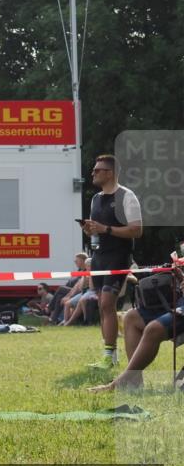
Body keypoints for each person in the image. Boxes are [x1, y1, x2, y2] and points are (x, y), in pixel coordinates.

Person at [80, 154, 143, 370]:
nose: (93, 173)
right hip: (99, 257)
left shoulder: (127, 196)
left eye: (97, 170)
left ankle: (108, 356)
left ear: (110, 173)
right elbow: (96, 230)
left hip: (118, 256)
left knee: (108, 303)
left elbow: (137, 230)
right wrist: (91, 230)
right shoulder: (96, 198)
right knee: (102, 306)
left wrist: (105, 229)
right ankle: (111, 355)